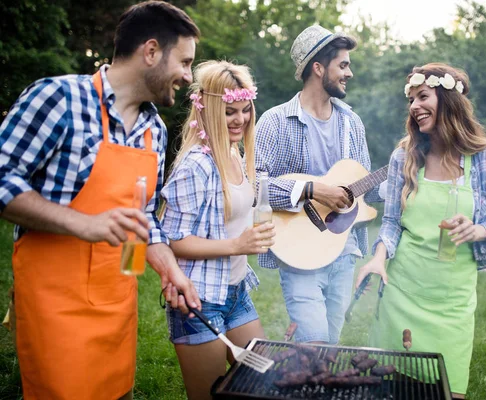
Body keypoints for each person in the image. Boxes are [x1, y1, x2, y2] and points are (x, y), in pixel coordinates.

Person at [0, 2, 201, 399]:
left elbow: (144, 219)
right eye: (185, 61)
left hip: (117, 305)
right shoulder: (59, 98)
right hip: (55, 306)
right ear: (151, 51)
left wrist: (168, 268)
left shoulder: (154, 131)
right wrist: (82, 222)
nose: (187, 76)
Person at [356, 63, 486, 398]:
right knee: (389, 388)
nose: (414, 106)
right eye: (411, 99)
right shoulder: (405, 156)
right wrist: (378, 258)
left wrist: (478, 231)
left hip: (452, 302)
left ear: (448, 100)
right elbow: (392, 222)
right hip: (401, 292)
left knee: (447, 390)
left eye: (422, 96)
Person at [254, 25, 383, 344]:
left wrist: (402, 176)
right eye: (343, 64)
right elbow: (253, 187)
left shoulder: (352, 123)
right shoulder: (275, 121)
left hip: (343, 251)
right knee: (313, 345)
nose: (349, 73)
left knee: (330, 349)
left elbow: (365, 192)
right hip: (297, 253)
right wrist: (310, 190)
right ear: (318, 67)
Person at [160, 60, 275, 400]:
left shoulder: (234, 153)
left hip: (237, 294)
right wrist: (237, 245)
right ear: (208, 110)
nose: (240, 119)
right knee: (209, 395)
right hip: (199, 301)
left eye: (245, 110)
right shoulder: (196, 166)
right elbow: (173, 240)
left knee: (263, 384)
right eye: (229, 112)